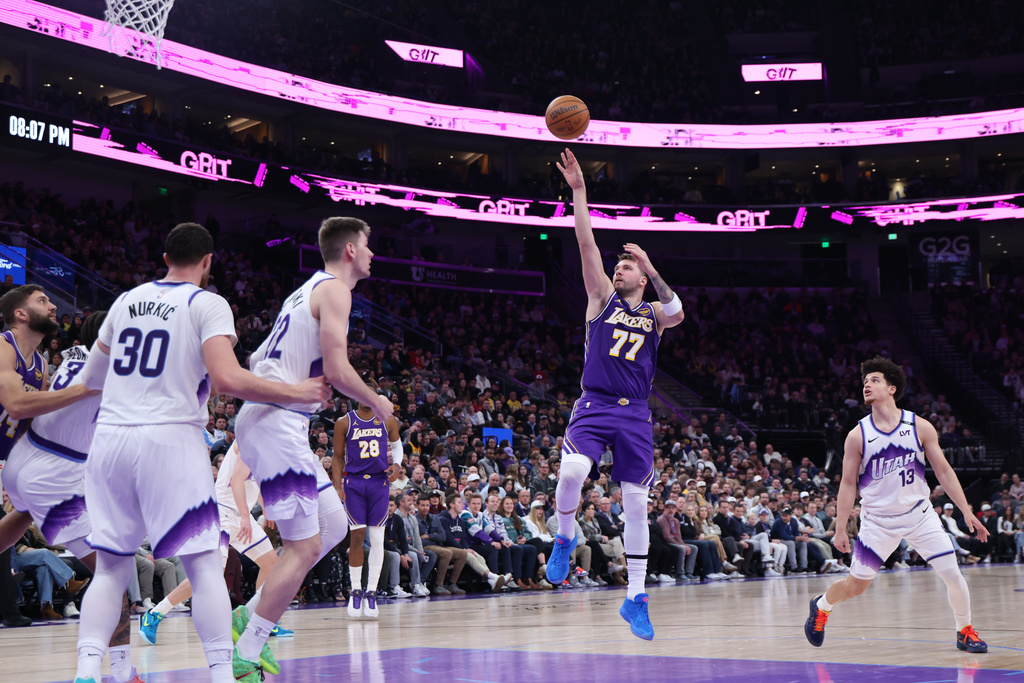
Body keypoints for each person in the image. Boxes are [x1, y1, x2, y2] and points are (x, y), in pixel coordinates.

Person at [72, 222, 329, 683]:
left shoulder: (124, 302)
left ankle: (88, 672)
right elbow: (228, 379)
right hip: (169, 439)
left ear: (164, 256)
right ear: (208, 261)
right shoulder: (205, 302)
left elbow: (91, 381)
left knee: (110, 569)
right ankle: (221, 672)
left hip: (110, 440)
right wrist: (294, 392)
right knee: (206, 563)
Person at [233, 217, 392, 679]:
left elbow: (256, 358)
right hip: (276, 422)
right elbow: (339, 372)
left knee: (332, 528)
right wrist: (376, 402)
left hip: (273, 417)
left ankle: (252, 611)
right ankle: (248, 646)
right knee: (303, 548)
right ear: (348, 250)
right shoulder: (336, 291)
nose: (372, 254)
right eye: (367, 245)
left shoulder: (303, 291)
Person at [550, 148, 684, 640]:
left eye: (628, 267)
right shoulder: (600, 300)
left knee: (635, 503)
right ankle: (564, 538)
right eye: (621, 265)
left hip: (635, 415)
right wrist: (580, 192)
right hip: (594, 404)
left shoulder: (654, 315)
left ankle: (636, 598)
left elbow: (679, 311)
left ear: (643, 278)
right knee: (572, 472)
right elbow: (586, 244)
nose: (619, 269)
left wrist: (650, 261)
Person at [804, 357, 990, 654]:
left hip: (919, 515)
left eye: (874, 380)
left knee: (952, 573)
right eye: (864, 381)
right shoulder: (857, 435)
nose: (867, 384)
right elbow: (848, 483)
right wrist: (840, 528)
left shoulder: (919, 426)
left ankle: (964, 631)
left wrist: (967, 511)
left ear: (892, 388)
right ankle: (821, 606)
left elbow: (943, 470)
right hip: (878, 521)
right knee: (856, 586)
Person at [0, 286, 98, 630]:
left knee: (27, 511)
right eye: (42, 300)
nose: (53, 305)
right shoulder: (2, 346)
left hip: (9, 457)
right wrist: (85, 389)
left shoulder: (41, 364)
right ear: (21, 314)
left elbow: (37, 419)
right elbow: (14, 404)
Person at [137, 442, 294, 646]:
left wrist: (266, 509)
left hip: (241, 514)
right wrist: (247, 517)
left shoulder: (267, 447)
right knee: (209, 574)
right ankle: (155, 613)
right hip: (223, 512)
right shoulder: (246, 440)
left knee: (272, 565)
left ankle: (258, 620)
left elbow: (260, 485)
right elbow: (237, 481)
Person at [331, 377, 403, 617]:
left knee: (378, 539)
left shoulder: (387, 420)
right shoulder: (344, 422)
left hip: (379, 483)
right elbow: (338, 457)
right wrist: (337, 484)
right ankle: (356, 591)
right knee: (357, 536)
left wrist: (398, 465)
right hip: (354, 484)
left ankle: (372, 592)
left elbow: (397, 446)